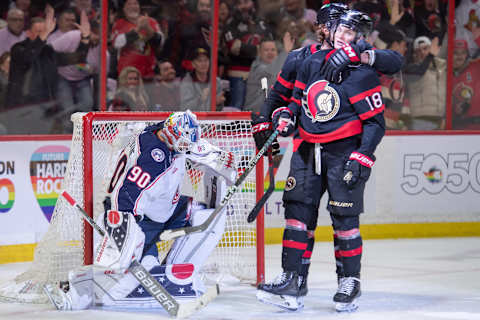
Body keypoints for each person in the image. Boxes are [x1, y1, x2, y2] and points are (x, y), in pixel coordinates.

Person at [256, 10, 399, 312]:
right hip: (307, 150)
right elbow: (296, 102)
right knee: (297, 216)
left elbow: (376, 122)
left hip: (343, 153)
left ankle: (349, 282)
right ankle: (292, 279)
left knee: (344, 221)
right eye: (341, 30)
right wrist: (283, 116)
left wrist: (363, 155)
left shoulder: (361, 70)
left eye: (352, 33)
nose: (345, 37)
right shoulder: (308, 61)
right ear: (328, 29)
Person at [43, 110, 237, 311]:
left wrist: (220, 159)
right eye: (184, 144)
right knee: (132, 270)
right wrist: (130, 238)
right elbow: (124, 198)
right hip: (135, 218)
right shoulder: (152, 160)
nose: (186, 148)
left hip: (166, 209)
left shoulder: (162, 132)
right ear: (171, 135)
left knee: (208, 218)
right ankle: (74, 292)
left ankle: (174, 276)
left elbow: (192, 144)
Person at [49, 10, 103, 133]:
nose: (96, 37)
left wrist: (87, 68)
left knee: (87, 105)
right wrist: (68, 60)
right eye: (94, 33)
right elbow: (48, 53)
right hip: (63, 76)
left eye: (99, 34)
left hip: (83, 78)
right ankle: (67, 136)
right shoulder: (72, 36)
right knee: (67, 108)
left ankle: (83, 135)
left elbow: (97, 70)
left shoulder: (101, 47)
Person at [223, 0, 273, 109]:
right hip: (239, 75)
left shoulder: (262, 23)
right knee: (237, 108)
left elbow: (269, 47)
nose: (243, 6)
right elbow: (234, 48)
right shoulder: (231, 23)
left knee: (261, 108)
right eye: (239, 3)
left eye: (246, 2)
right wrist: (258, 48)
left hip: (261, 73)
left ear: (253, 3)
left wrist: (244, 47)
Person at [111, 0, 164, 82]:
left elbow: (160, 42)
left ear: (139, 6)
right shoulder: (119, 24)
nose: (132, 6)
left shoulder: (151, 21)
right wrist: (137, 29)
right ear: (124, 9)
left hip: (148, 73)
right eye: (129, 4)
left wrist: (147, 28)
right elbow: (117, 43)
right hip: (126, 75)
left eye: (135, 3)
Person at [404, 36, 446, 130]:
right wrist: (431, 55)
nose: (422, 52)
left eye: (425, 48)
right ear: (414, 53)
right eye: (418, 50)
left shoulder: (441, 67)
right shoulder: (411, 68)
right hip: (420, 119)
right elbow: (420, 71)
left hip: (440, 119)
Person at [244, 35, 293, 112]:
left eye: (273, 50)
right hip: (253, 114)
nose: (270, 53)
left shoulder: (279, 67)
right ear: (259, 53)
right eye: (266, 50)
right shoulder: (257, 68)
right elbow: (271, 70)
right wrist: (285, 52)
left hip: (270, 113)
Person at [180, 47, 225, 111]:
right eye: (200, 61)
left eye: (206, 60)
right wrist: (200, 99)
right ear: (193, 64)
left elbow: (219, 109)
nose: (203, 64)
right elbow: (184, 108)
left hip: (211, 119)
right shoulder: (186, 82)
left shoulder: (216, 81)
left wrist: (218, 104)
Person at [452, 39, 480, 129]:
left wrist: (478, 38)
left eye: (463, 52)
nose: (460, 56)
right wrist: (454, 110)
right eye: (455, 53)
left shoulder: (475, 67)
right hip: (458, 129)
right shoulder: (444, 73)